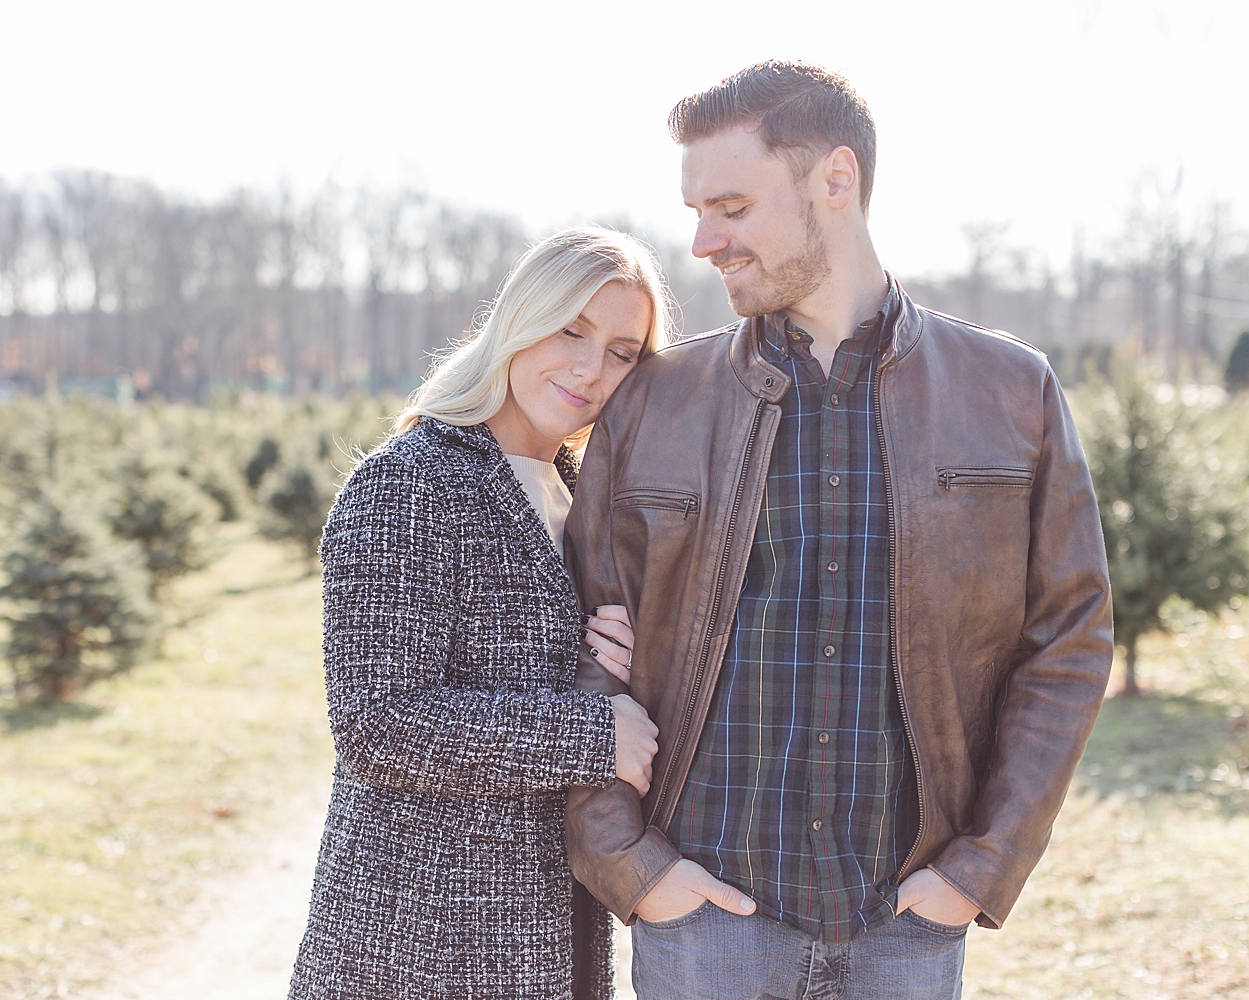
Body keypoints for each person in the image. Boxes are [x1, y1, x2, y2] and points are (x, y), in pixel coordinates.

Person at [563, 61, 1113, 1000]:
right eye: (696, 210)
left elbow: (1067, 641)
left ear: (836, 179)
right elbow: (576, 637)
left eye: (731, 206)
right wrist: (630, 863)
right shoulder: (656, 403)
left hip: (907, 922)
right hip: (704, 923)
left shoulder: (1011, 392)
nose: (703, 242)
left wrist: (980, 869)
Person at [288, 227, 671, 1000]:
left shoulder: (584, 496)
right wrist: (593, 734)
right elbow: (377, 722)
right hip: (421, 936)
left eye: (622, 351)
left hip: (552, 928)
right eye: (572, 330)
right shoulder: (411, 483)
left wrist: (618, 659)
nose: (590, 369)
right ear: (519, 319)